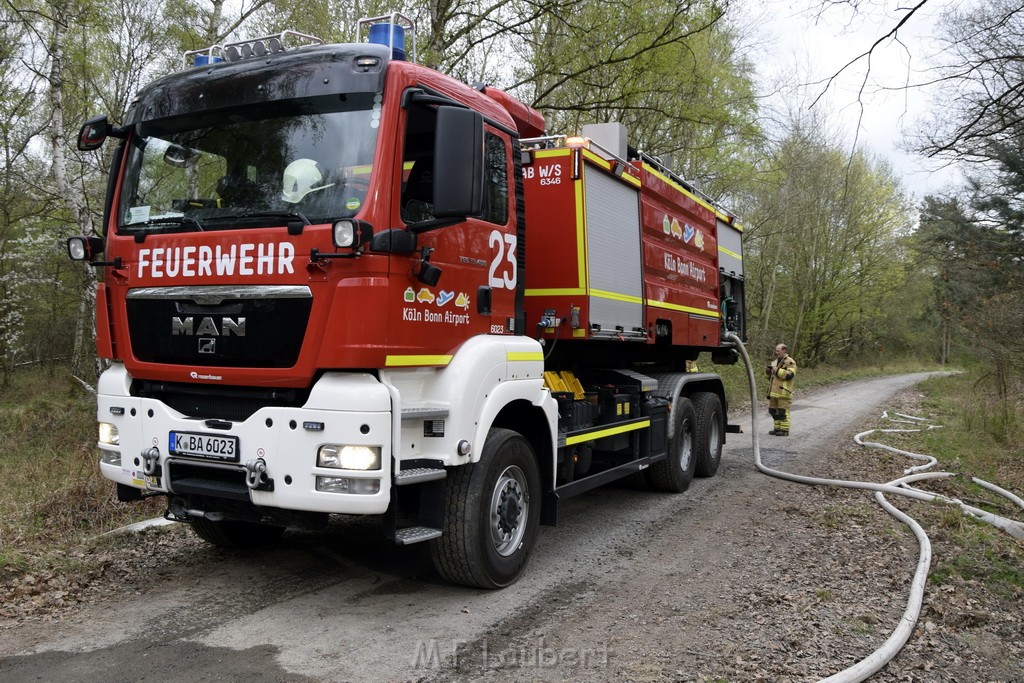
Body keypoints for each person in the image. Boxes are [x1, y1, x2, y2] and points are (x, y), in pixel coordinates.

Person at [766, 343, 797, 436]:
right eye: (776, 350)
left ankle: (784, 430)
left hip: (784, 392)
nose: (776, 352)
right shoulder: (774, 362)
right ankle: (777, 428)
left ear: (784, 350)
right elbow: (770, 378)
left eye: (778, 351)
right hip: (774, 392)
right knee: (772, 410)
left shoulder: (790, 362)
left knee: (782, 412)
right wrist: (768, 372)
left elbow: (789, 376)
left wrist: (777, 370)